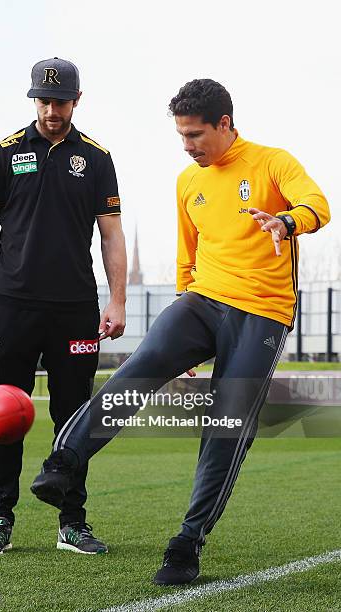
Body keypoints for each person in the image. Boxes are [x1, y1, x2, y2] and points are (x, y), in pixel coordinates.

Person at [30, 79, 330, 584]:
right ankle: (65, 459)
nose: (188, 146)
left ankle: (187, 542)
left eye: (195, 135)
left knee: (227, 427)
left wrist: (284, 221)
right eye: (181, 136)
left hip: (262, 312)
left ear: (225, 125)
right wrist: (183, 327)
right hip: (199, 301)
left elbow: (318, 205)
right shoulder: (187, 182)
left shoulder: (273, 162)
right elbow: (187, 255)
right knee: (143, 365)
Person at [0, 57, 127, 556]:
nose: (52, 110)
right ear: (33, 99)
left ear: (78, 101)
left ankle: (72, 522)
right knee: (2, 415)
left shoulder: (97, 159)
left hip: (75, 307)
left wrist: (116, 299)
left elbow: (111, 234)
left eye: (61, 101)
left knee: (73, 417)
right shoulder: (5, 153)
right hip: (12, 306)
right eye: (44, 100)